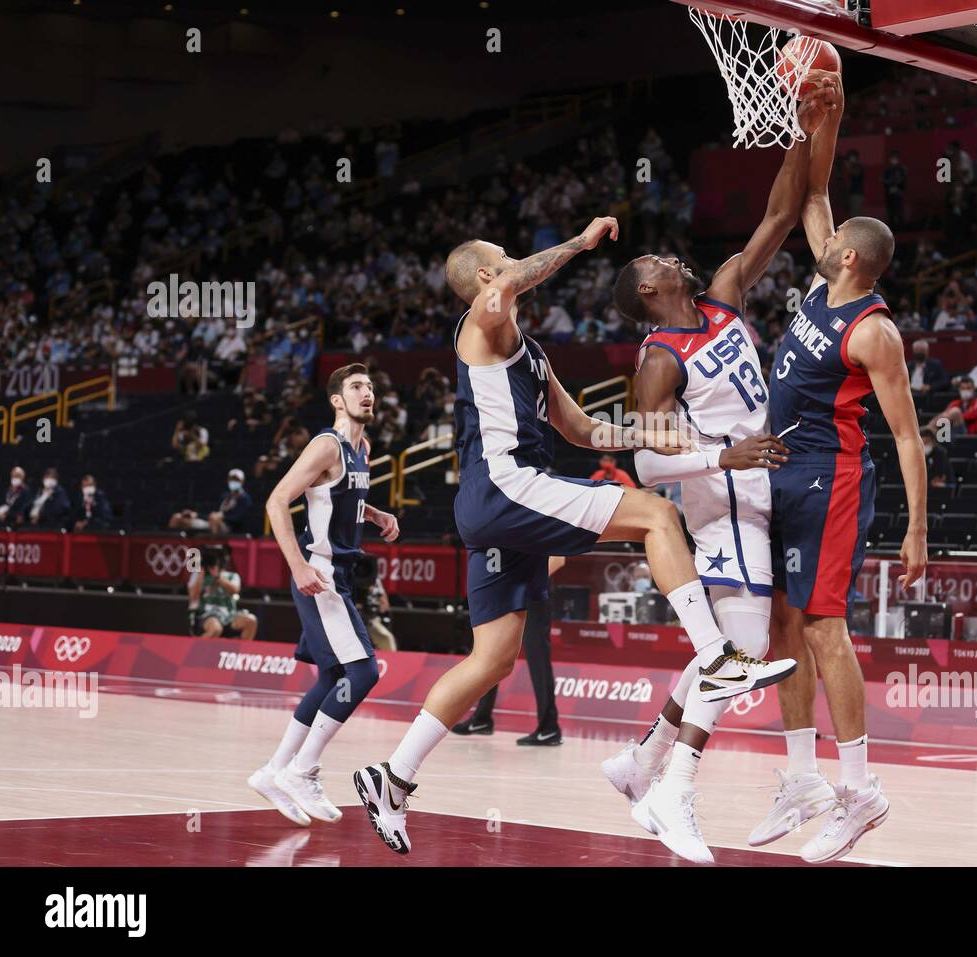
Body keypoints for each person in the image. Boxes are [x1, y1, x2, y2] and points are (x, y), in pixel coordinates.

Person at [353, 216, 797, 856]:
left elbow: (583, 430)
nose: (510, 263)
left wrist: (645, 435)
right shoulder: (480, 324)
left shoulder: (527, 352)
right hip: (507, 486)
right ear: (484, 275)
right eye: (501, 257)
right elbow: (507, 285)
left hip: (499, 503)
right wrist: (582, 245)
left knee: (492, 660)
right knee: (655, 515)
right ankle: (717, 657)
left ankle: (391, 778)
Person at [598, 75, 839, 863]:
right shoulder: (657, 361)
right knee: (735, 654)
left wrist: (804, 126)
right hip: (721, 500)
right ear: (645, 289)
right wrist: (721, 455)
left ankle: (640, 764)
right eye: (657, 258)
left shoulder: (725, 294)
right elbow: (643, 460)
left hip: (756, 492)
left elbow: (780, 210)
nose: (673, 254)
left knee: (731, 650)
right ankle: (673, 791)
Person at [755, 104, 928, 864]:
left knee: (826, 628)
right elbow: (817, 187)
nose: (820, 242)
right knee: (782, 627)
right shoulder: (830, 276)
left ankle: (860, 793)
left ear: (850, 261)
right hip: (784, 472)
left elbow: (909, 435)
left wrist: (918, 528)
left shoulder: (874, 331)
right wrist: (822, 112)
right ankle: (802, 777)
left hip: (832, 480)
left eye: (832, 244)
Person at [247, 363, 401, 828]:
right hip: (320, 573)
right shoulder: (325, 445)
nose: (367, 393)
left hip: (343, 574)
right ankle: (302, 770)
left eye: (371, 386)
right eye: (356, 387)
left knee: (331, 674)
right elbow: (277, 500)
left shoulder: (364, 447)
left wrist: (374, 515)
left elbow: (340, 497)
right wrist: (298, 567)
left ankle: (273, 772)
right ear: (337, 399)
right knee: (363, 671)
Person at [453, 555, 565, 745]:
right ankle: (482, 718)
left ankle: (549, 727)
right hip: (509, 591)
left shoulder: (542, 526)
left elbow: (558, 559)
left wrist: (524, 586)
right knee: (492, 651)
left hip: (533, 593)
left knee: (537, 656)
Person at [188, 545, 258, 640]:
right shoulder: (197, 575)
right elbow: (193, 596)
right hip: (207, 615)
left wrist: (218, 577)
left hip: (229, 614)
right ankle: (195, 650)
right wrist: (201, 573)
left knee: (251, 621)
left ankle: (240, 653)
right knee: (216, 629)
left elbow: (235, 590)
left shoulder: (232, 576)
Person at [169, 468, 254, 534]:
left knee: (214, 520)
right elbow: (211, 514)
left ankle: (215, 549)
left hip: (229, 527)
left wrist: (222, 517)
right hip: (211, 523)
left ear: (242, 482)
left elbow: (238, 518)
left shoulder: (245, 499)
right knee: (177, 517)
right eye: (232, 479)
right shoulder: (224, 496)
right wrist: (196, 515)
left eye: (236, 480)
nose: (233, 482)